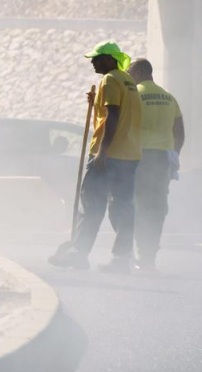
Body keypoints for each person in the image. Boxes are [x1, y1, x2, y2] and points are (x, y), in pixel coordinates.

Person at [49, 41, 143, 273]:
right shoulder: (128, 81)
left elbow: (113, 115)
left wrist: (102, 149)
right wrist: (96, 103)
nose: (92, 61)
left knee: (92, 203)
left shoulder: (110, 79)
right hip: (129, 154)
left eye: (97, 58)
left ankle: (78, 253)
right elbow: (117, 112)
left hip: (109, 155)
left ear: (110, 59)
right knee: (123, 207)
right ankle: (121, 259)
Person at [127, 58, 186, 272]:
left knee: (134, 205)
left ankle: (130, 252)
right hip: (161, 160)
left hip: (138, 158)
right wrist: (174, 156)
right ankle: (149, 256)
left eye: (130, 71)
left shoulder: (134, 95)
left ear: (142, 71)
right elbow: (179, 132)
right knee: (157, 207)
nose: (128, 76)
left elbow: (124, 126)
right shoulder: (169, 98)